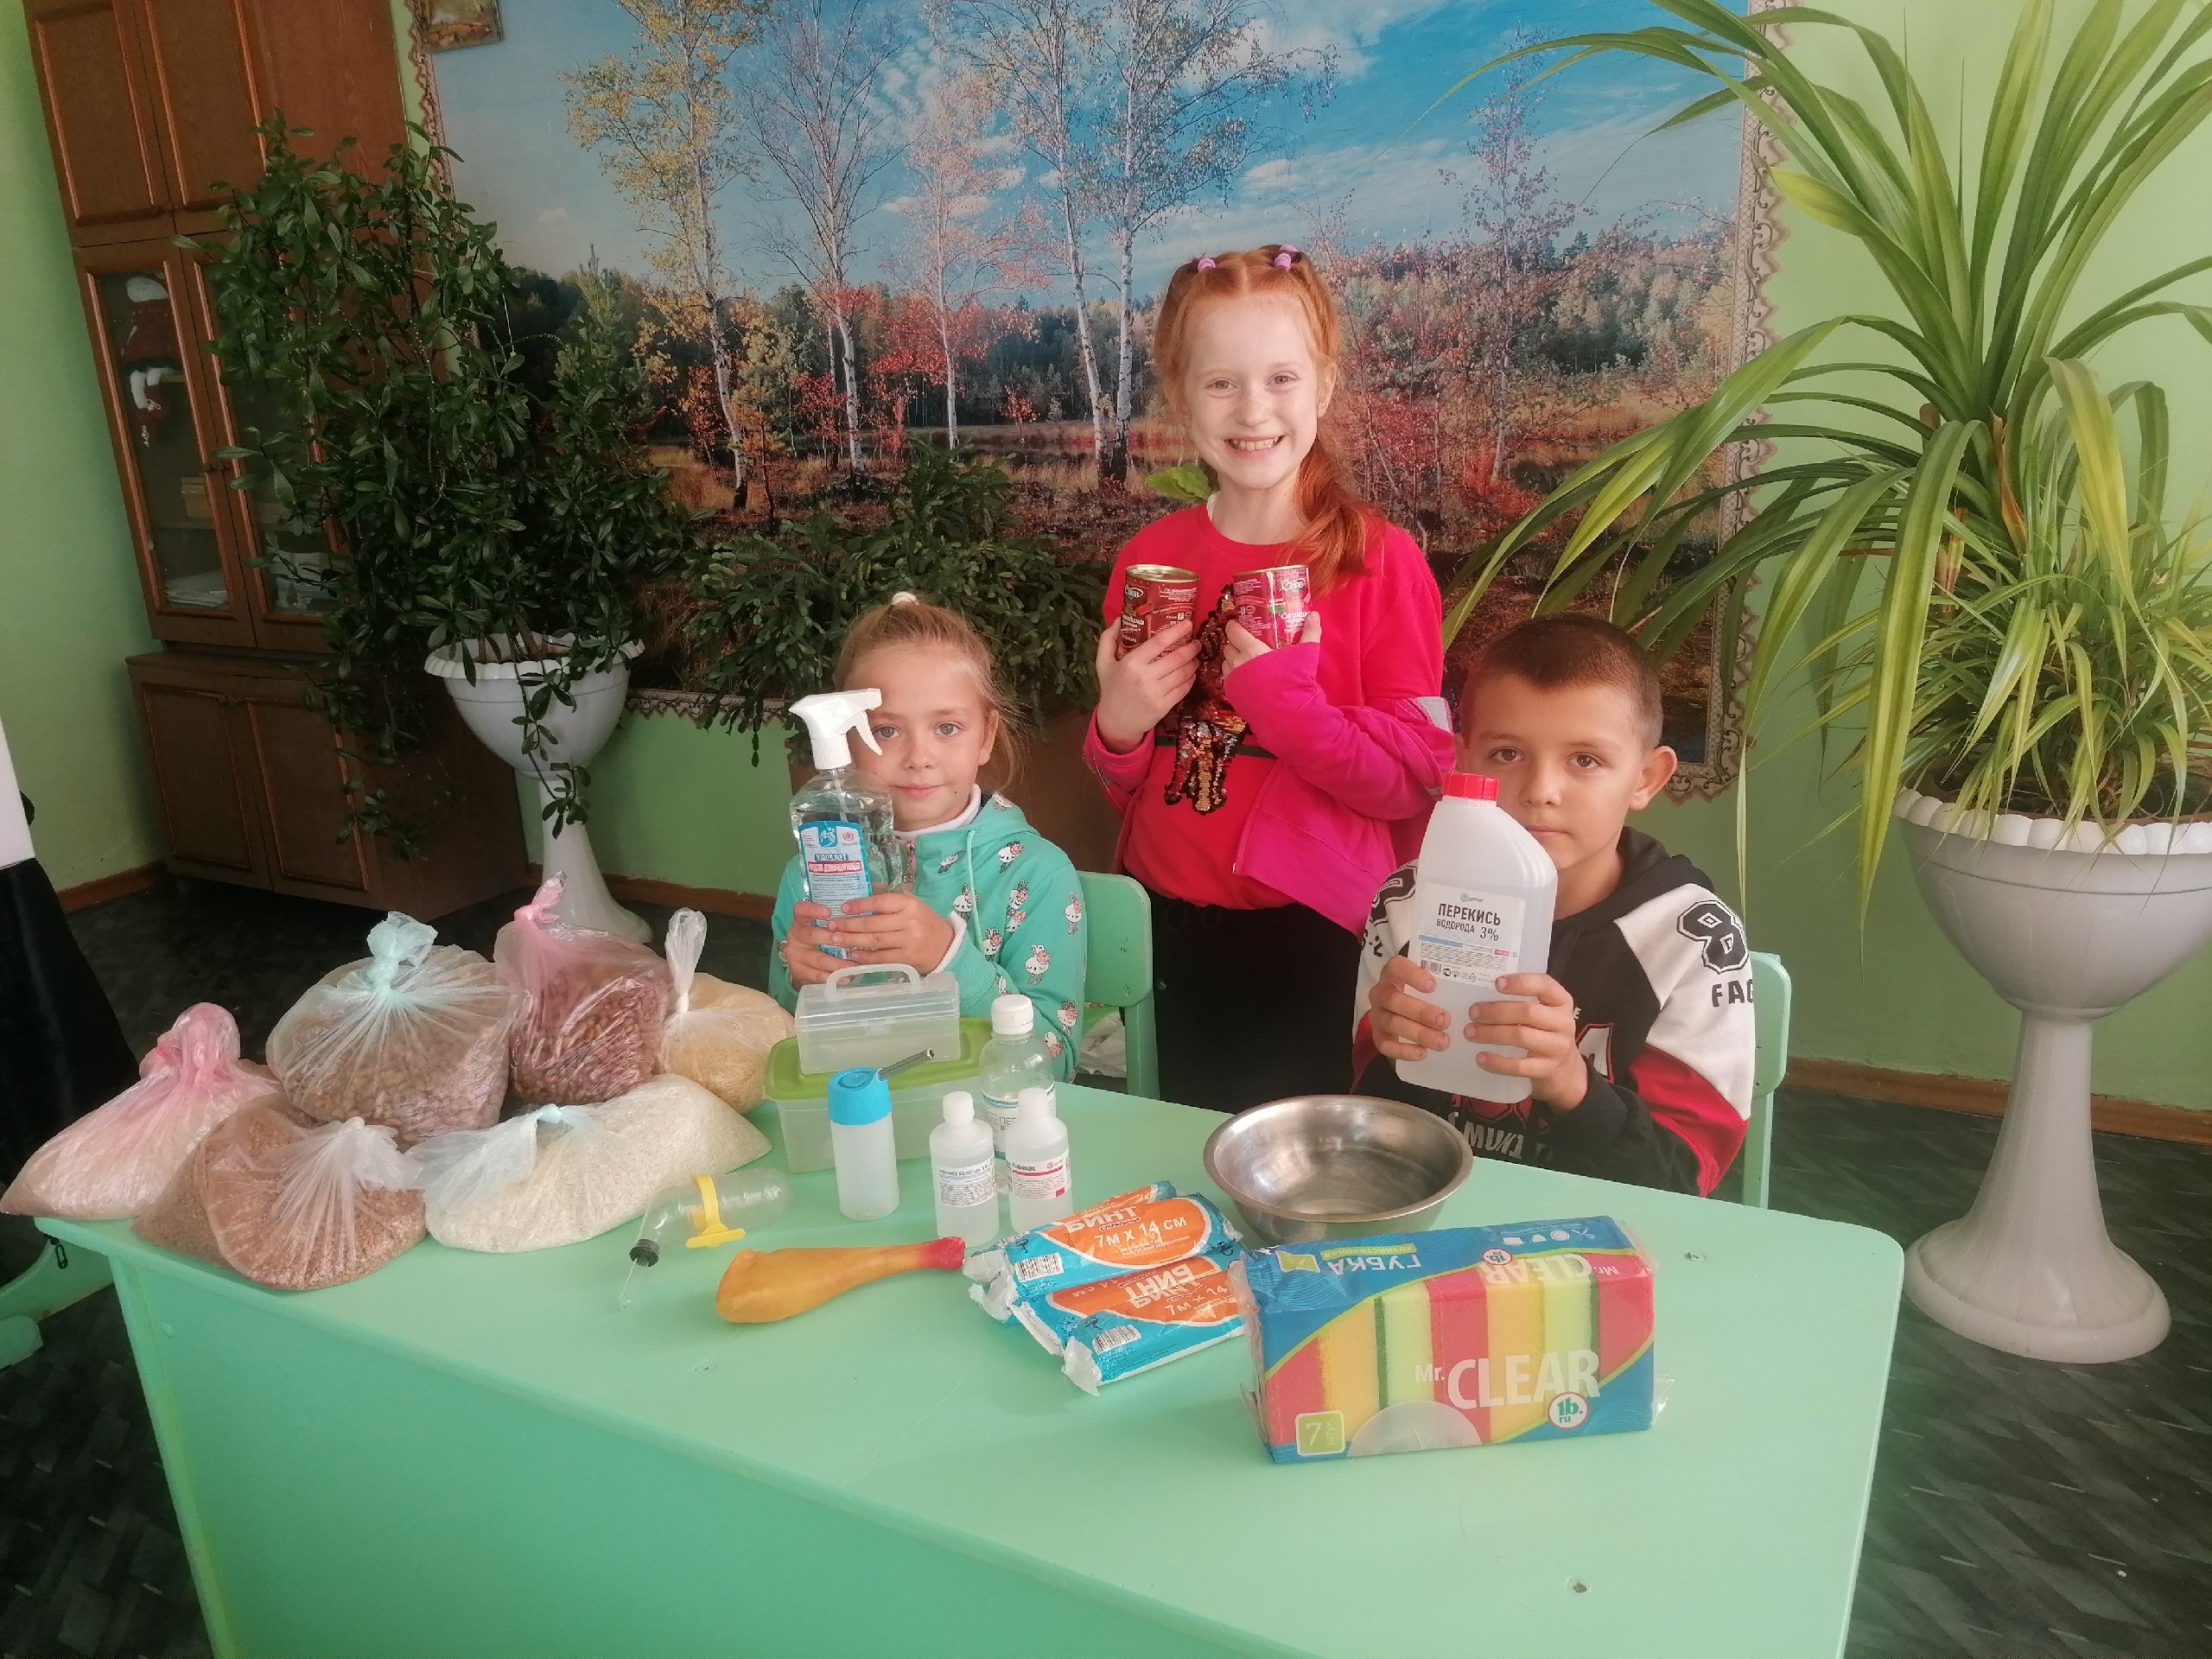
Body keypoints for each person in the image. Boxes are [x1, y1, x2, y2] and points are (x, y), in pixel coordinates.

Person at [1085, 244, 1453, 1113]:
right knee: (1174, 1148)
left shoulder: (1380, 563)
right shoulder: (1150, 558)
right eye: (1222, 383)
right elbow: (1127, 783)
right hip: (1165, 918)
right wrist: (1118, 728)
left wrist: (1289, 711)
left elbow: (1412, 781)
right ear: (1181, 396)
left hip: (1317, 935)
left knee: (1308, 1165)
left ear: (1323, 386)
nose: (1253, 409)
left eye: (1281, 378)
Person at [1357, 614, 1754, 1195]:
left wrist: (1572, 1084)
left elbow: (1681, 1180)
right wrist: (1398, 1052)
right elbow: (1370, 1132)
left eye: (1584, 760)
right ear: (1463, 763)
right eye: (1507, 754)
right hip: (1435, 1206)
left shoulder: (1691, 937)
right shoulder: (1408, 902)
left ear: (1646, 778)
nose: (1540, 790)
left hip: (1604, 1225)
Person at [772, 594, 1086, 1078]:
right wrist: (800, 984)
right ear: (848, 740)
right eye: (886, 731)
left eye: (947, 727)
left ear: (986, 736)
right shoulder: (809, 879)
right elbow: (780, 1041)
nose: (919, 757)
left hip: (987, 1120)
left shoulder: (1037, 875)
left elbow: (1054, 1061)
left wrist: (948, 959)